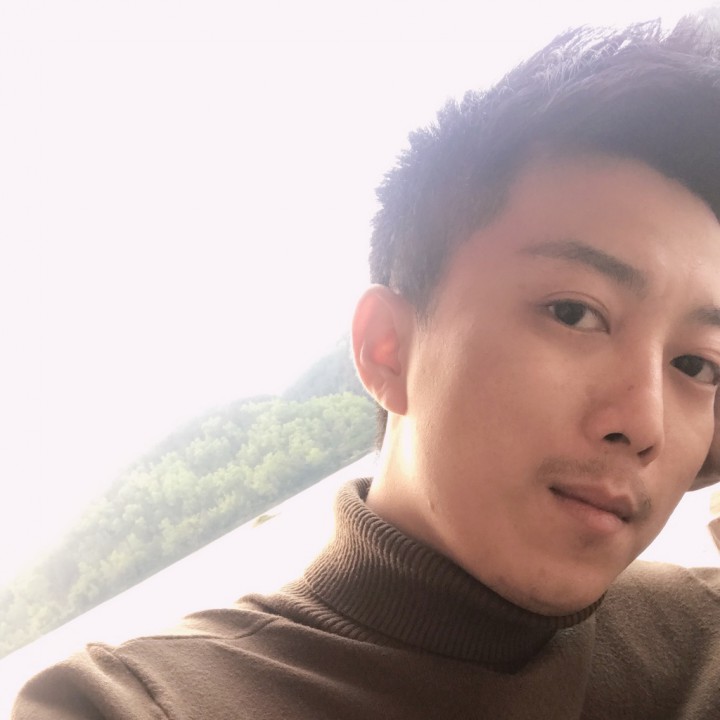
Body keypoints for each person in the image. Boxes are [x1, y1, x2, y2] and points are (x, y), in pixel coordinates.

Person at [13, 11, 720, 719]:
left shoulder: (700, 637)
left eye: (696, 364)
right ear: (388, 348)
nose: (644, 423)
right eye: (574, 313)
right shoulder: (132, 704)